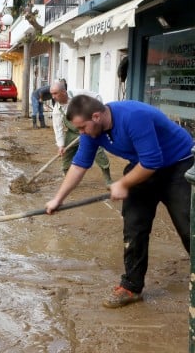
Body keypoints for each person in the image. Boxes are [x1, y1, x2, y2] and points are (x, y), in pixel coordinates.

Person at [45, 95, 193, 308]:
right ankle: (131, 287)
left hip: (179, 165)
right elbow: (79, 165)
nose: (81, 133)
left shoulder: (134, 117)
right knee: (134, 227)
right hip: (142, 166)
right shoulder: (91, 130)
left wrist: (122, 184)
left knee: (189, 228)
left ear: (96, 116)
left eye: (82, 127)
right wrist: (57, 199)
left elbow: (152, 162)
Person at [49, 79, 112, 187]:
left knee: (98, 152)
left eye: (55, 93)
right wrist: (61, 145)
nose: (53, 97)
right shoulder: (57, 110)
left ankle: (108, 179)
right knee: (66, 156)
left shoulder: (78, 95)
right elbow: (58, 129)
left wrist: (97, 115)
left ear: (63, 92)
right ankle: (68, 180)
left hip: (88, 130)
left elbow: (97, 97)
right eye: (52, 94)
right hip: (73, 132)